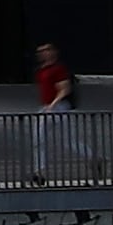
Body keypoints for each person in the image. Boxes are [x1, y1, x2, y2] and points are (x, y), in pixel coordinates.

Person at [28, 40, 83, 181]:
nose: (41, 54)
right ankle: (39, 171)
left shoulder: (58, 69)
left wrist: (53, 104)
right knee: (39, 139)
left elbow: (64, 89)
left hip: (58, 106)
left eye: (45, 51)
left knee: (69, 141)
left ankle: (94, 157)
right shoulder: (41, 70)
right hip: (47, 106)